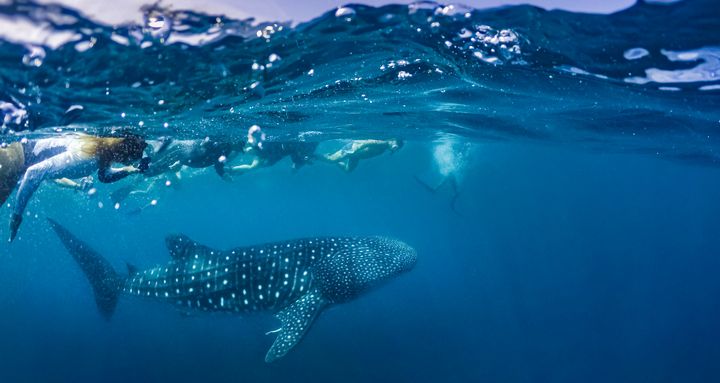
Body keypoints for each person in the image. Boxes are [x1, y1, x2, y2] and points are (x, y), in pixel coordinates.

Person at [4, 133, 148, 241]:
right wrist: (16, 216)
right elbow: (33, 173)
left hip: (18, 157)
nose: (125, 163)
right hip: (16, 158)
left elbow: (104, 176)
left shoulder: (102, 149)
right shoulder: (89, 159)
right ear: (124, 153)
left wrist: (128, 171)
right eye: (129, 160)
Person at [142, 137, 242, 178]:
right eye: (239, 146)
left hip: (189, 159)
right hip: (187, 155)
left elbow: (218, 163)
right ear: (235, 141)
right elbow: (206, 142)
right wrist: (222, 174)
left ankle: (143, 170)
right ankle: (145, 151)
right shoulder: (222, 143)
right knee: (158, 164)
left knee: (158, 168)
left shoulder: (227, 149)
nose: (238, 149)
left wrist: (222, 174)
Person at [321, 139, 403, 172]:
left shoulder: (385, 148)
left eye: (398, 146)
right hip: (351, 150)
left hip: (356, 156)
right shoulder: (382, 143)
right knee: (331, 160)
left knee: (347, 170)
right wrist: (353, 150)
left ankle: (334, 157)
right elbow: (366, 143)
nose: (396, 147)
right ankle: (313, 155)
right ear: (392, 140)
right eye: (397, 144)